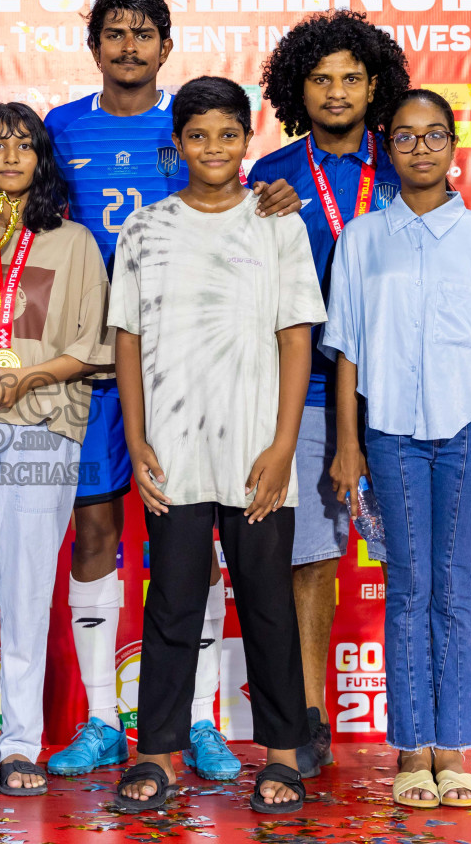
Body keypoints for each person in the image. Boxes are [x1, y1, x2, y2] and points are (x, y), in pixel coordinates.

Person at [250, 10, 471, 778]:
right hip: (317, 391)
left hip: (431, 405)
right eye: (320, 78)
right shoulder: (273, 177)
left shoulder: (404, 158)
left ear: (378, 88)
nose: (336, 92)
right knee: (315, 559)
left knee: (440, 579)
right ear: (296, 89)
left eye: (351, 78)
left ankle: (446, 741)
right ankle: (310, 721)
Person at [42, 0, 298, 781]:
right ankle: (98, 719)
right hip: (91, 364)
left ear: (165, 43)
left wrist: (275, 195)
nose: (127, 46)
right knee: (95, 536)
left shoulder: (189, 121)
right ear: (94, 46)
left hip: (192, 372)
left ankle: (200, 720)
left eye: (142, 33)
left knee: (198, 553)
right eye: (112, 33)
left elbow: (239, 215)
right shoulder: (58, 128)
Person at [108, 77, 324, 815]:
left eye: (228, 134)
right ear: (178, 145)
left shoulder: (277, 225)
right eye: (198, 136)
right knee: (170, 602)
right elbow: (128, 343)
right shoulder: (143, 230)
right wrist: (137, 439)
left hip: (257, 450)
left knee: (266, 604)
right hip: (173, 452)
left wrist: (284, 444)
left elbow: (296, 337)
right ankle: (156, 752)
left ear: (246, 139)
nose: (213, 149)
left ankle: (284, 754)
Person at [321, 89, 471, 809]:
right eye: (404, 138)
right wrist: (347, 444)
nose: (420, 150)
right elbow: (344, 351)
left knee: (452, 586)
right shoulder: (362, 238)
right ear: (390, 148)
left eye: (433, 135)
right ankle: (411, 747)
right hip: (392, 435)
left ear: (453, 145)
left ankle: (454, 746)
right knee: (408, 589)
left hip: (469, 427)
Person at [0, 103, 112, 797]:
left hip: (46, 422)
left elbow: (89, 343)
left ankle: (23, 742)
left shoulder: (72, 243)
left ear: (43, 160)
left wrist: (28, 376)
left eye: (25, 146)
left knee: (30, 585)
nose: (10, 157)